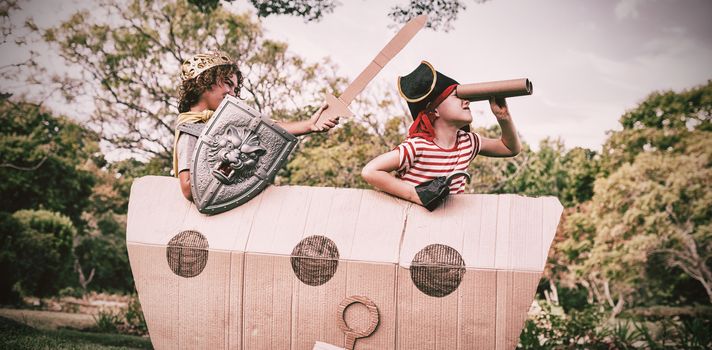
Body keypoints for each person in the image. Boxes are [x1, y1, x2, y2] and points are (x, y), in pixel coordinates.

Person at [174, 50, 340, 201]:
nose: (232, 93)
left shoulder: (225, 125)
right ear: (204, 80)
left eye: (235, 88)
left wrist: (309, 125)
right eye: (227, 83)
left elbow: (262, 128)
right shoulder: (190, 129)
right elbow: (189, 188)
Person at [361, 61, 522, 211]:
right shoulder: (418, 146)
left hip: (446, 224)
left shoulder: (468, 142)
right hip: (410, 221)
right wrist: (415, 195)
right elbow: (370, 171)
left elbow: (510, 148)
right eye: (457, 96)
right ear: (435, 110)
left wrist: (504, 118)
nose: (466, 102)